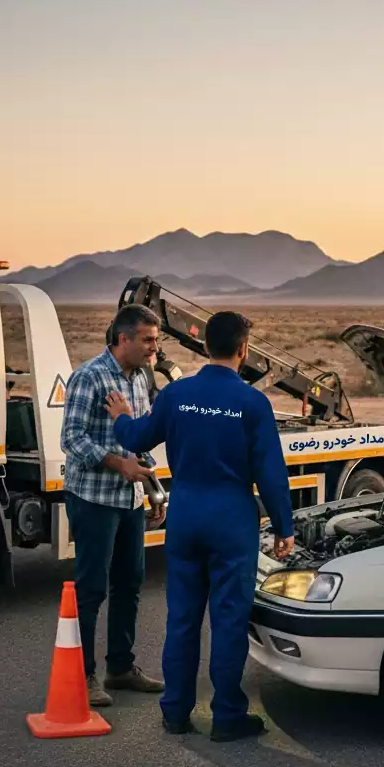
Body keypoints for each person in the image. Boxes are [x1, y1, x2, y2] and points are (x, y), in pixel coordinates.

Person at [105, 311, 295, 741]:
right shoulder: (252, 403)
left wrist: (120, 416)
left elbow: (136, 438)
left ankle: (175, 712)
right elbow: (270, 473)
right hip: (231, 521)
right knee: (229, 620)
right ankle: (227, 717)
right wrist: (284, 527)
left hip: (186, 518)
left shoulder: (178, 395)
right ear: (244, 350)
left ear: (205, 346)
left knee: (183, 619)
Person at [60, 304, 166, 706]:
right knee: (91, 589)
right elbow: (71, 438)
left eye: (155, 340)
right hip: (93, 498)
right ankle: (83, 675)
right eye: (147, 340)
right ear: (123, 339)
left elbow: (137, 439)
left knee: (130, 583)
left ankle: (120, 668)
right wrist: (114, 462)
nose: (153, 349)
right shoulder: (88, 376)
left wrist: (154, 488)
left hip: (131, 499)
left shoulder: (140, 378)